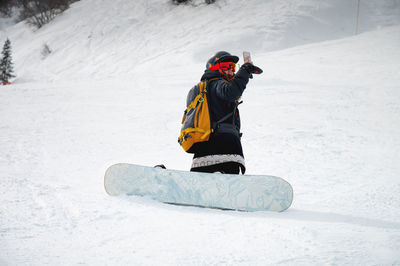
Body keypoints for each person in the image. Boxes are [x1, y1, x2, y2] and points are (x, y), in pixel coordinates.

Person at [190, 51, 262, 174]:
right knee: (228, 188)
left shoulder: (204, 89)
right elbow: (231, 92)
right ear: (214, 69)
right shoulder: (217, 83)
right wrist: (244, 71)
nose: (231, 71)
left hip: (203, 151)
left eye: (233, 68)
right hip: (225, 149)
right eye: (226, 67)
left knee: (203, 188)